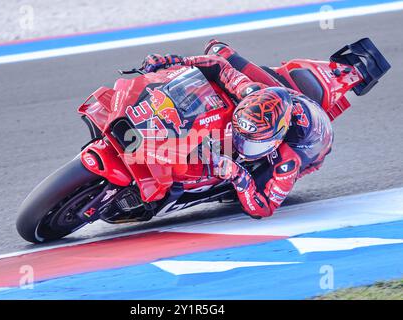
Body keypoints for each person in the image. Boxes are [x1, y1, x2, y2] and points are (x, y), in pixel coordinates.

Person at [141, 40, 333, 219]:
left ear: (275, 141)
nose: (240, 145)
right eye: (241, 137)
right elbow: (218, 64)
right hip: (281, 99)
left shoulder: (288, 160)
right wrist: (174, 60)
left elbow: (264, 208)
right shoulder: (249, 91)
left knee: (250, 189)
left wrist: (240, 177)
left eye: (250, 144)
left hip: (312, 150)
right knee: (218, 49)